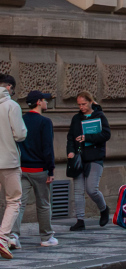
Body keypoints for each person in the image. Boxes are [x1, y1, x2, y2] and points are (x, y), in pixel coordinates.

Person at [67, 92, 111, 231]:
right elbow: (70, 137)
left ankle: (104, 209)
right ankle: (80, 220)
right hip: (79, 158)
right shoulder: (76, 118)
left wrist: (88, 138)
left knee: (92, 189)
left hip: (95, 158)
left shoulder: (99, 116)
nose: (81, 107)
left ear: (91, 102)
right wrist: (70, 151)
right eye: (79, 104)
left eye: (84, 104)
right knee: (78, 191)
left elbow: (106, 134)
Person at [19, 91, 57, 248]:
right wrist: (51, 170)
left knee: (18, 204)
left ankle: (12, 235)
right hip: (39, 169)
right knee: (43, 204)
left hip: (21, 168)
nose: (46, 102)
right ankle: (46, 237)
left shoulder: (20, 119)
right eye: (45, 100)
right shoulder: (45, 122)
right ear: (39, 102)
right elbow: (47, 148)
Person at [0, 74, 27, 259]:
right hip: (8, 161)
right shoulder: (11, 105)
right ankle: (2, 237)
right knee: (14, 200)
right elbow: (20, 134)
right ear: (9, 87)